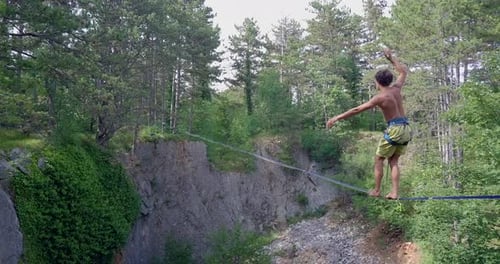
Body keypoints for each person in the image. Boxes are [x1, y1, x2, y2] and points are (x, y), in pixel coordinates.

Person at [326, 48, 411, 199]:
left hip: (395, 129)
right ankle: (394, 192)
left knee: (379, 159)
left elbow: (357, 109)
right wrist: (391, 59)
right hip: (406, 128)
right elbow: (403, 72)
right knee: (393, 161)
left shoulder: (380, 97)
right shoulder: (396, 88)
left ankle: (377, 190)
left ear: (377, 82)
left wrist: (336, 118)